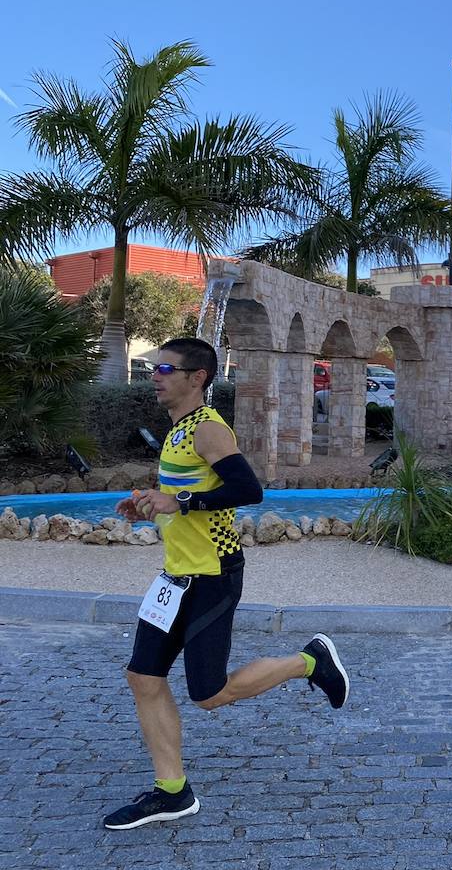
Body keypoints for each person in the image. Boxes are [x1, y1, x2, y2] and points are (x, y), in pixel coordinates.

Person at [104, 338, 349, 831]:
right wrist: (152, 502)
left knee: (209, 693)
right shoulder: (177, 430)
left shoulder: (208, 429)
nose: (156, 375)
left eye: (166, 368)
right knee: (143, 678)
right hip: (176, 574)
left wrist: (183, 503)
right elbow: (187, 494)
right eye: (155, 368)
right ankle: (172, 792)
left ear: (197, 377)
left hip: (213, 575)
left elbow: (247, 490)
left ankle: (309, 661)